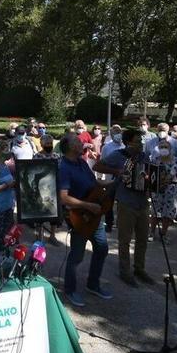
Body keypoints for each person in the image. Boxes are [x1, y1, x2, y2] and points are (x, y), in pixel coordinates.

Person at [58, 132, 112, 307]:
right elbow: (63, 198)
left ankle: (93, 284)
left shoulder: (82, 162)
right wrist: (88, 206)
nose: (82, 142)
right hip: (79, 218)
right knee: (77, 255)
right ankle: (70, 289)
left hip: (95, 216)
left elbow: (95, 184)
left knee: (102, 248)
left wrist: (113, 183)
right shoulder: (64, 168)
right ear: (70, 147)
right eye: (77, 141)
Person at [95, 129, 155, 286]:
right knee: (125, 239)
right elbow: (97, 166)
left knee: (142, 238)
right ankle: (125, 271)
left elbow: (149, 174)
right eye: (137, 141)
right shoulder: (118, 155)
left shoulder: (144, 157)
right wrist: (117, 171)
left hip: (143, 201)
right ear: (128, 142)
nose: (141, 144)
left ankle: (139, 269)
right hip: (126, 202)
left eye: (141, 141)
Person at [149, 140, 177, 243]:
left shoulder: (176, 161)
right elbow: (151, 176)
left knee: (167, 213)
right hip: (157, 189)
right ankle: (151, 233)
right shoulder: (155, 160)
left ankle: (163, 234)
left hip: (171, 189)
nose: (164, 149)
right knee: (155, 212)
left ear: (170, 148)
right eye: (161, 147)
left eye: (166, 147)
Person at [33, 134, 63, 245]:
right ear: (41, 144)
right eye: (47, 144)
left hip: (54, 188)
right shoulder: (37, 156)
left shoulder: (57, 156)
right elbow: (34, 172)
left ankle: (52, 236)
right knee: (40, 213)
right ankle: (39, 236)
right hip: (41, 189)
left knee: (54, 214)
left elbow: (60, 171)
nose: (49, 145)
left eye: (50, 143)